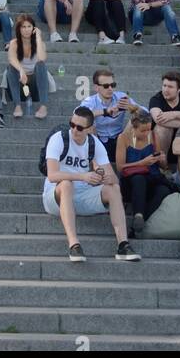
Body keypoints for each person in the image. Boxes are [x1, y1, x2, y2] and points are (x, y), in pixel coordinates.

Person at [42, 106, 141, 262]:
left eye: (80, 127)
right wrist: (82, 176)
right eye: (72, 124)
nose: (74, 130)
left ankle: (123, 244)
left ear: (89, 129)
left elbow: (114, 178)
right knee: (67, 184)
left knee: (113, 189)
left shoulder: (95, 143)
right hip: (55, 197)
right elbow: (52, 175)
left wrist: (104, 178)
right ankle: (74, 245)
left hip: (82, 196)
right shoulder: (59, 138)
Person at [115, 109, 173, 235]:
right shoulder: (123, 138)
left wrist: (162, 160)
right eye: (143, 130)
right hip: (131, 182)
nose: (147, 133)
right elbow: (120, 167)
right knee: (139, 179)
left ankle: (139, 221)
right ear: (133, 128)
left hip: (152, 178)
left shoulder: (152, 135)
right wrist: (141, 163)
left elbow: (162, 165)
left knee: (164, 190)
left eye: (148, 129)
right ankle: (138, 214)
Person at [82, 70, 145, 160]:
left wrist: (132, 107)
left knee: (137, 117)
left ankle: (133, 157)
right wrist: (105, 111)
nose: (110, 88)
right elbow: (77, 115)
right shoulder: (91, 101)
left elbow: (146, 113)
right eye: (106, 86)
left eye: (113, 85)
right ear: (96, 87)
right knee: (87, 124)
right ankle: (94, 161)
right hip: (98, 139)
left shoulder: (121, 97)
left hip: (119, 139)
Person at [5, 14, 49, 118]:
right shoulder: (14, 43)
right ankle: (17, 105)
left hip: (35, 85)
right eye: (23, 27)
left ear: (34, 28)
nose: (26, 30)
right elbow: (11, 59)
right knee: (11, 67)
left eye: (29, 26)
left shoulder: (40, 44)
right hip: (19, 83)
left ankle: (43, 106)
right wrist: (21, 70)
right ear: (19, 29)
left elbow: (42, 58)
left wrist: (38, 38)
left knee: (40, 65)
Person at [148, 70, 180, 161]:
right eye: (164, 85)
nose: (166, 90)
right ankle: (162, 166)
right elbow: (159, 119)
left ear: (179, 89)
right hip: (160, 146)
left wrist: (175, 114)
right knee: (163, 127)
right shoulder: (156, 99)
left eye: (170, 87)